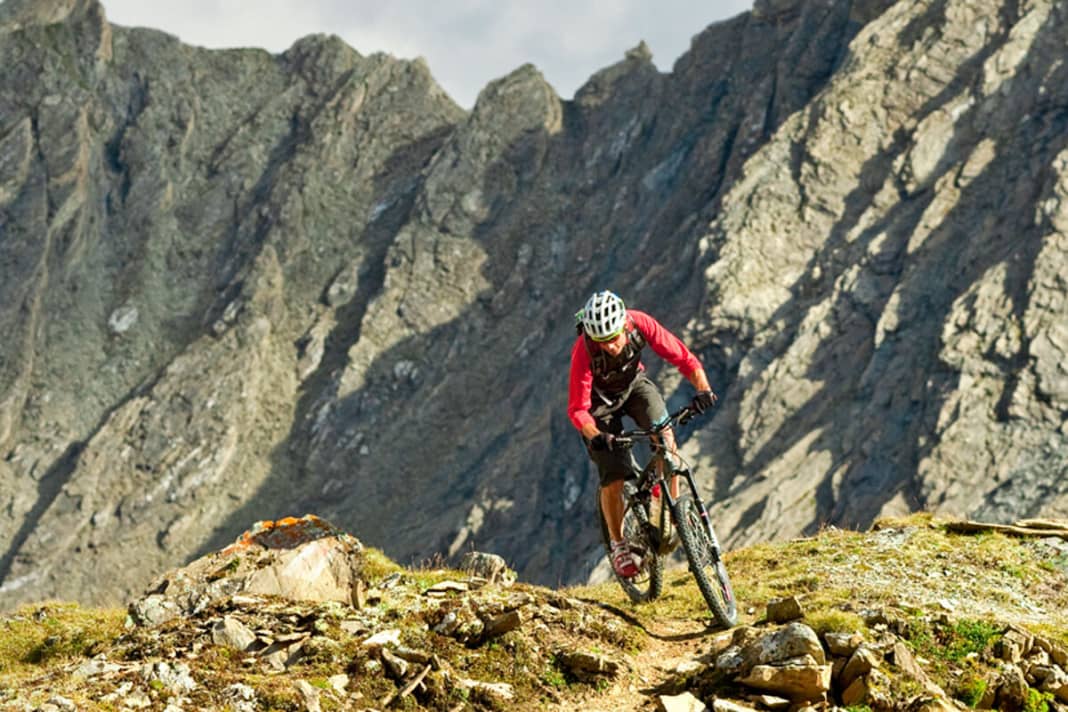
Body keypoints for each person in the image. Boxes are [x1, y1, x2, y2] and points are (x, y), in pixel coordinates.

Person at [567, 290, 717, 579]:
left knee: (665, 437)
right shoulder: (584, 351)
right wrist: (595, 435)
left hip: (634, 387)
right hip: (599, 407)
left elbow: (683, 357)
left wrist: (703, 389)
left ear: (624, 325)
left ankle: (667, 506)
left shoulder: (640, 324)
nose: (609, 346)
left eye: (613, 338)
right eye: (602, 341)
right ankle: (619, 543)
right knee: (614, 475)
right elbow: (577, 408)